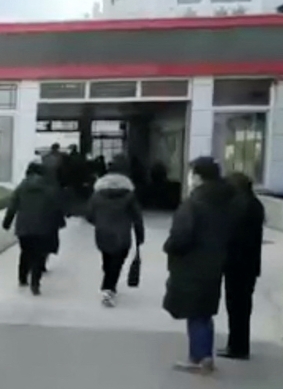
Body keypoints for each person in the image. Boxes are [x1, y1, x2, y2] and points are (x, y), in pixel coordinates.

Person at [162, 157, 236, 374]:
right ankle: (205, 355)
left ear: (198, 176)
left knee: (195, 312)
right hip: (215, 263)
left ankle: (199, 357)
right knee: (204, 312)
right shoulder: (227, 202)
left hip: (192, 264)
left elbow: (181, 236)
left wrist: (170, 247)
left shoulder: (194, 203)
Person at [85, 154, 145, 307]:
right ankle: (109, 288)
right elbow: (137, 217)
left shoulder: (97, 195)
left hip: (102, 232)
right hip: (122, 235)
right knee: (117, 262)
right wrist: (140, 236)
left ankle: (108, 286)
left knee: (107, 258)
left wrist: (99, 222)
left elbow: (89, 215)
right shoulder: (129, 195)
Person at [220, 172, 265, 360]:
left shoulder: (239, 205)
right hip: (249, 264)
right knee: (243, 307)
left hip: (237, 263)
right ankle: (239, 345)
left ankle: (236, 346)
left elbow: (233, 234)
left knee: (236, 306)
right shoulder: (255, 204)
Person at [2, 161, 64, 295]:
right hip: (43, 227)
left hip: (24, 226)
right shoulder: (48, 188)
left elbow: (12, 206)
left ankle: (22, 278)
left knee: (25, 252)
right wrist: (59, 223)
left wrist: (7, 222)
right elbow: (56, 207)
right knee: (39, 255)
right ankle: (35, 283)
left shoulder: (21, 187)